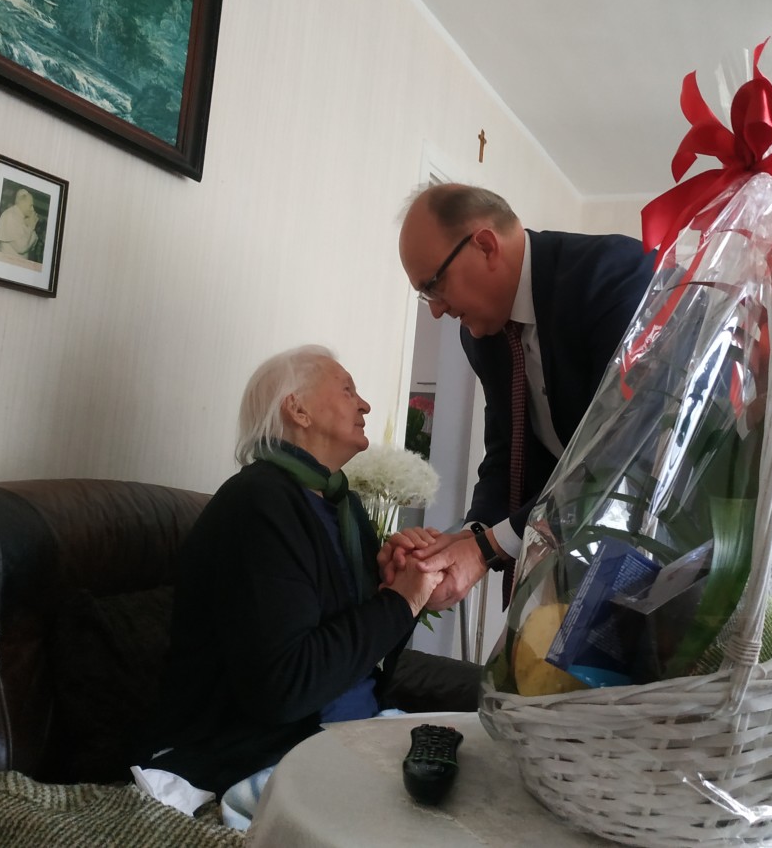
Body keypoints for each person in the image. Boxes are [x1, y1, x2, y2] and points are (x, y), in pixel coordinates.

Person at [142, 346, 443, 827]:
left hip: (343, 732)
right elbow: (287, 686)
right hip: (254, 751)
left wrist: (399, 585)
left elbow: (361, 658)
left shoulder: (342, 507)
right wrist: (398, 602)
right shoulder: (259, 503)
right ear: (298, 410)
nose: (365, 404)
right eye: (347, 390)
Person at [385, 183, 657, 610]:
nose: (435, 310)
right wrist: (469, 536)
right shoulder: (481, 337)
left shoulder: (612, 275)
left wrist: (485, 549)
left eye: (434, 285)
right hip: (569, 569)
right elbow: (508, 455)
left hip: (659, 556)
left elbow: (623, 448)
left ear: (486, 246)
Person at [0, 188, 40, 257]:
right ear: (22, 203)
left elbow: (32, 246)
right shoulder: (10, 216)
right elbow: (21, 248)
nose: (32, 209)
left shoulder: (24, 217)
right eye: (30, 205)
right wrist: (30, 227)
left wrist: (30, 227)